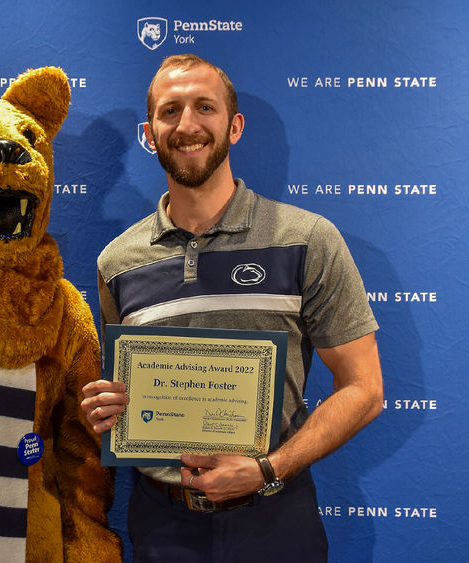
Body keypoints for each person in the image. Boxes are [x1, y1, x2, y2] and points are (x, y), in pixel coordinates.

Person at [81, 54, 383, 562]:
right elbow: (132, 389)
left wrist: (269, 468)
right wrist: (110, 407)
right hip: (161, 525)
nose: (188, 125)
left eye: (205, 107)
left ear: (235, 126)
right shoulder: (117, 261)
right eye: (169, 111)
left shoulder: (307, 238)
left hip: (275, 516)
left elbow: (365, 390)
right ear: (150, 133)